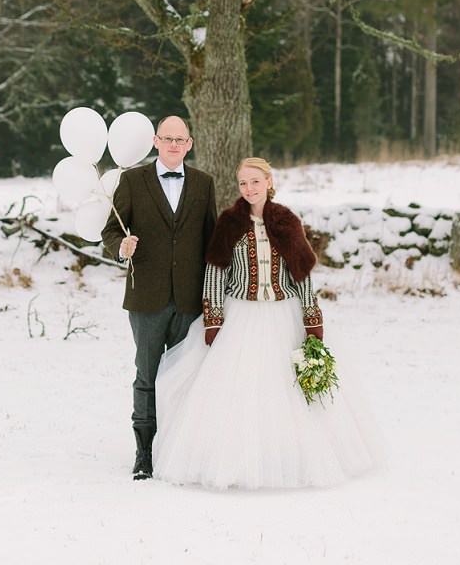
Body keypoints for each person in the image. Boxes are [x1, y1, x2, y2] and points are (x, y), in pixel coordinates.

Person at [152, 157, 383, 490]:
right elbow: (216, 272)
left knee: (288, 388)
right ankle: (234, 458)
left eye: (255, 182)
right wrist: (214, 319)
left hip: (282, 313)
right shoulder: (229, 222)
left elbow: (301, 273)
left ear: (269, 182)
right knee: (240, 388)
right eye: (243, 183)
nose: (249, 188)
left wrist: (312, 319)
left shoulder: (286, 221)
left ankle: (292, 455)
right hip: (241, 315)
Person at [101, 115, 217, 480]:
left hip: (189, 298)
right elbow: (109, 232)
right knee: (147, 375)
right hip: (146, 297)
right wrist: (121, 246)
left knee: (184, 375)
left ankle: (179, 449)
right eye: (166, 138)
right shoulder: (132, 182)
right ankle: (144, 453)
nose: (173, 145)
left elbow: (212, 241)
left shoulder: (204, 183)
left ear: (190, 144)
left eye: (179, 139)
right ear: (155, 141)